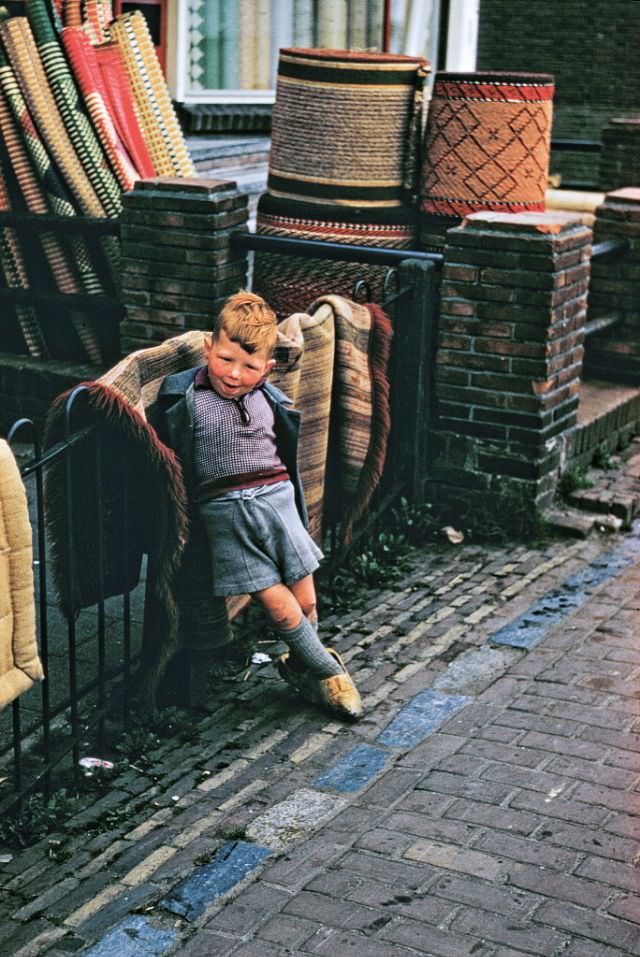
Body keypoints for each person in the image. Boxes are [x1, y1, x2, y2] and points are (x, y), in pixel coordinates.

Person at [156, 291, 362, 721]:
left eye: (249, 367)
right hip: (226, 512)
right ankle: (331, 673)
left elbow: (284, 452)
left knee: (305, 598)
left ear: (267, 369)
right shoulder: (187, 396)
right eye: (226, 359)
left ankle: (302, 669)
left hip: (278, 502)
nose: (234, 374)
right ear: (208, 348)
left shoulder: (268, 398)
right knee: (275, 600)